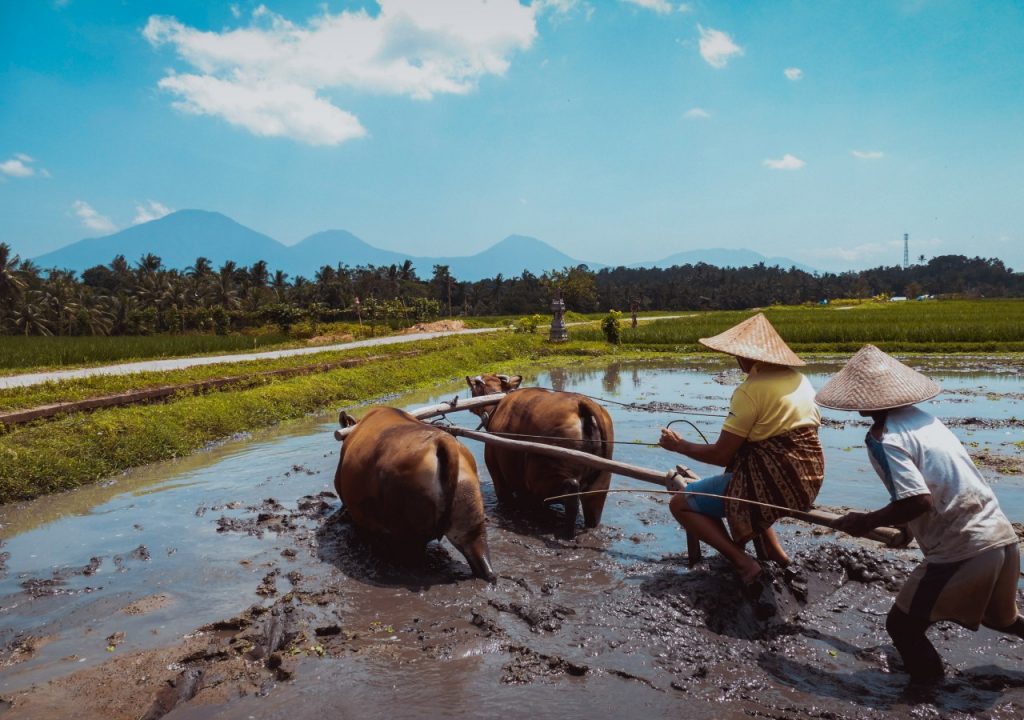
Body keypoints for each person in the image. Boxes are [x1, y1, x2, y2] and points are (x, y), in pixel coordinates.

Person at [817, 344, 1023, 684]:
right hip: (1000, 536)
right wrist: (907, 528)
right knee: (1003, 620)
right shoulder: (924, 419)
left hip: (963, 547)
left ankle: (926, 696)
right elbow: (937, 484)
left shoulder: (883, 438)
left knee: (902, 627)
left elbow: (920, 501)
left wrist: (865, 522)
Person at [658, 313, 825, 586]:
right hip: (808, 480)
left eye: (737, 354)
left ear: (751, 356)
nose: (736, 360)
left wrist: (679, 446)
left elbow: (721, 455)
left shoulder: (750, 391)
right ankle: (779, 557)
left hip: (774, 486)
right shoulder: (799, 380)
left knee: (681, 503)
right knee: (747, 476)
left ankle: (744, 563)